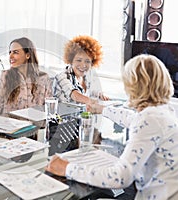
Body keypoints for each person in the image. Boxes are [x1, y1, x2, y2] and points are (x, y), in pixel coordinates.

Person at [46, 54, 178, 199]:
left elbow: (121, 177)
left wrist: (67, 168)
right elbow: (131, 119)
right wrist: (101, 108)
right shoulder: (164, 110)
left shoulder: (149, 119)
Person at [0, 37, 52, 115]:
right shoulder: (5, 76)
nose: (10, 56)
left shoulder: (43, 79)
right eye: (10, 52)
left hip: (35, 126)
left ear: (28, 55)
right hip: (11, 125)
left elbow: (50, 110)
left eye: (15, 52)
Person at [53, 35, 109, 104]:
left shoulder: (87, 77)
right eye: (79, 60)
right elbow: (75, 96)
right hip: (61, 114)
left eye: (87, 61)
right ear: (71, 60)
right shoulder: (62, 77)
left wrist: (99, 95)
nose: (83, 65)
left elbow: (91, 91)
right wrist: (94, 102)